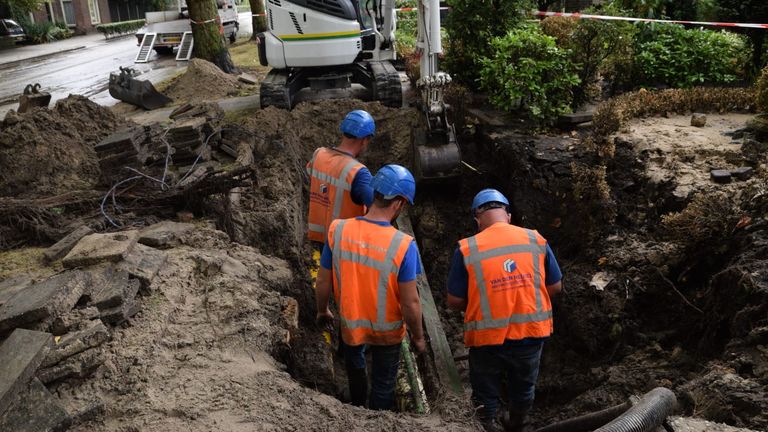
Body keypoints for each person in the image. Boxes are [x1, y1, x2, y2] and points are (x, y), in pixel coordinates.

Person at [447, 189, 563, 432]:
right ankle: (518, 422)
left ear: (477, 220)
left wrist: (483, 299)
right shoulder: (536, 240)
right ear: (508, 215)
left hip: (487, 338)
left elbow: (455, 301)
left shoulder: (467, 248)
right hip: (530, 332)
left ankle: (487, 424)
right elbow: (555, 286)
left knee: (485, 388)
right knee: (523, 386)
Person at [314, 164, 426, 410]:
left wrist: (323, 310)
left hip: (352, 326)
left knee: (356, 369)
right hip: (388, 333)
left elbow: (322, 280)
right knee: (384, 384)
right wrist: (418, 338)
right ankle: (377, 417)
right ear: (399, 204)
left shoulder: (339, 229)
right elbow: (411, 302)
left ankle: (356, 406)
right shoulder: (404, 245)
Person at [306, 110, 376, 244]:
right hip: (344, 244)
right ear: (365, 140)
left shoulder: (318, 155)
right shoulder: (358, 173)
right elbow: (378, 209)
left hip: (321, 237)